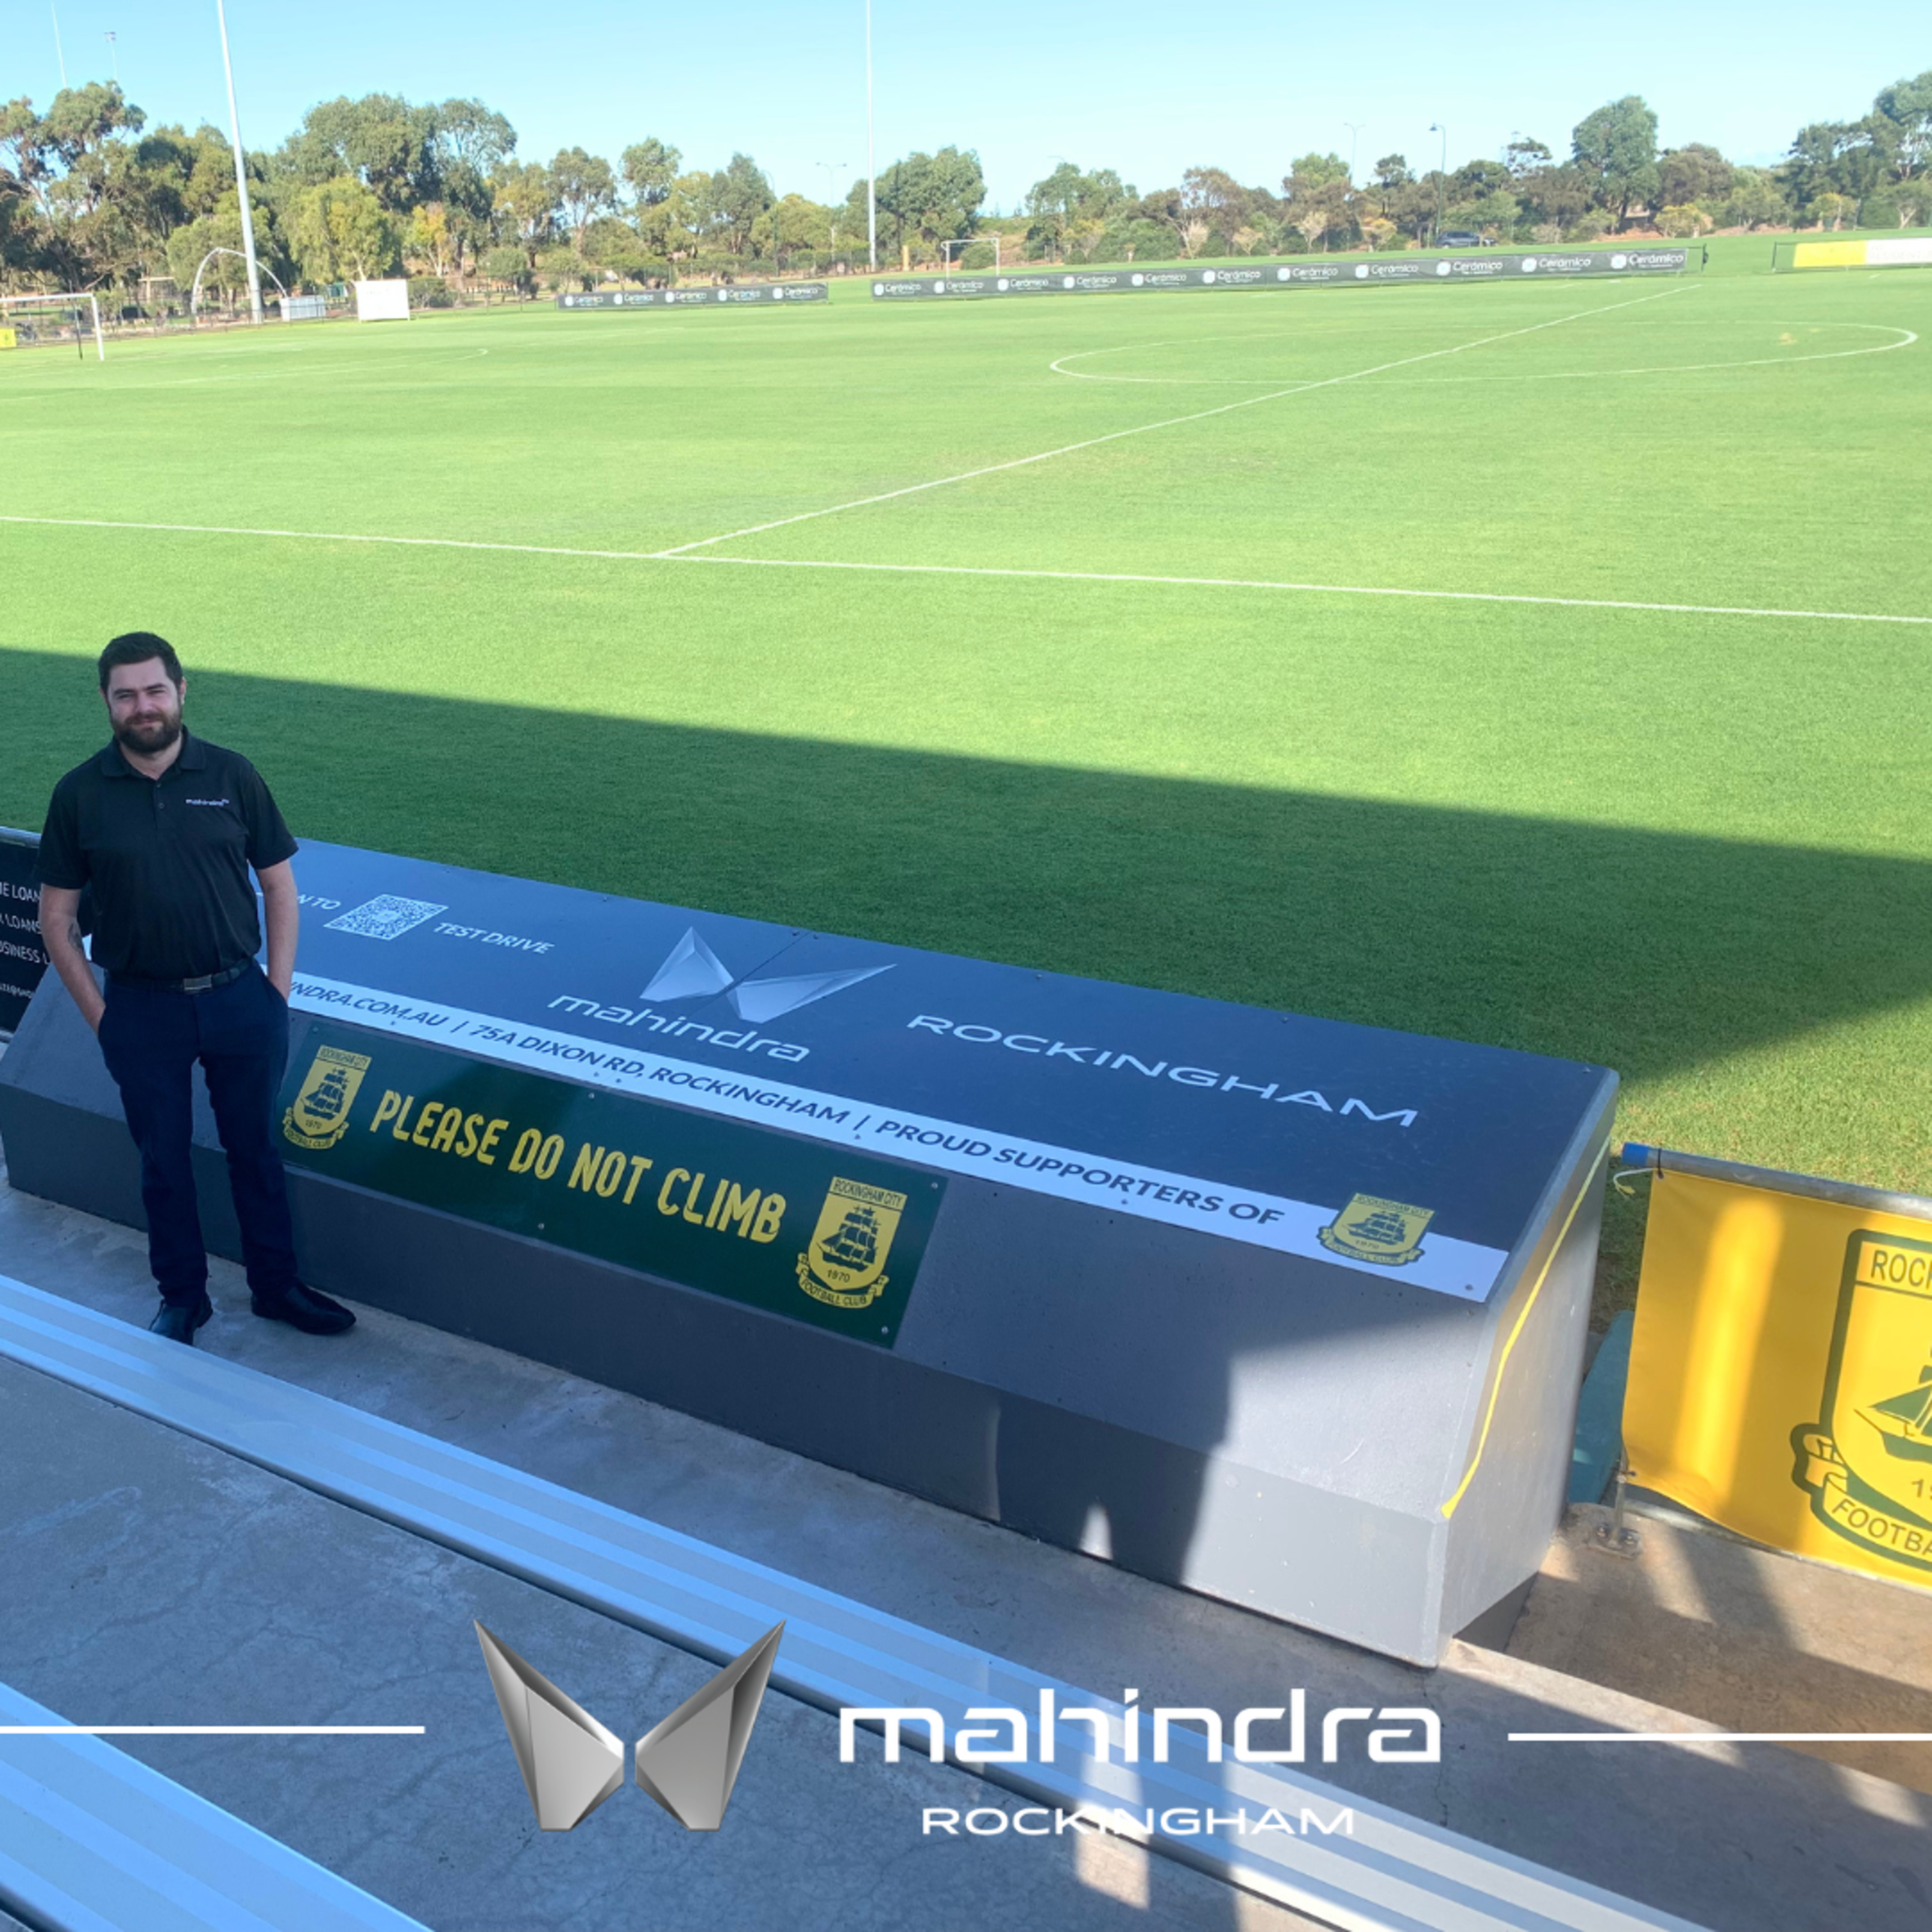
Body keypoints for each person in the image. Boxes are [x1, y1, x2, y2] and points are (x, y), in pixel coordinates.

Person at [36, 632, 355, 1346]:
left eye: (155, 690)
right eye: (126, 695)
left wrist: (275, 992)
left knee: (256, 1153)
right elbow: (56, 920)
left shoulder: (233, 774)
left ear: (182, 690)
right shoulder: (80, 793)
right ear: (106, 702)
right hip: (142, 1008)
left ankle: (276, 1287)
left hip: (241, 999)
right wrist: (102, 1018)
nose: (142, 707)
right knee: (163, 1162)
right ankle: (183, 1297)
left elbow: (279, 887)